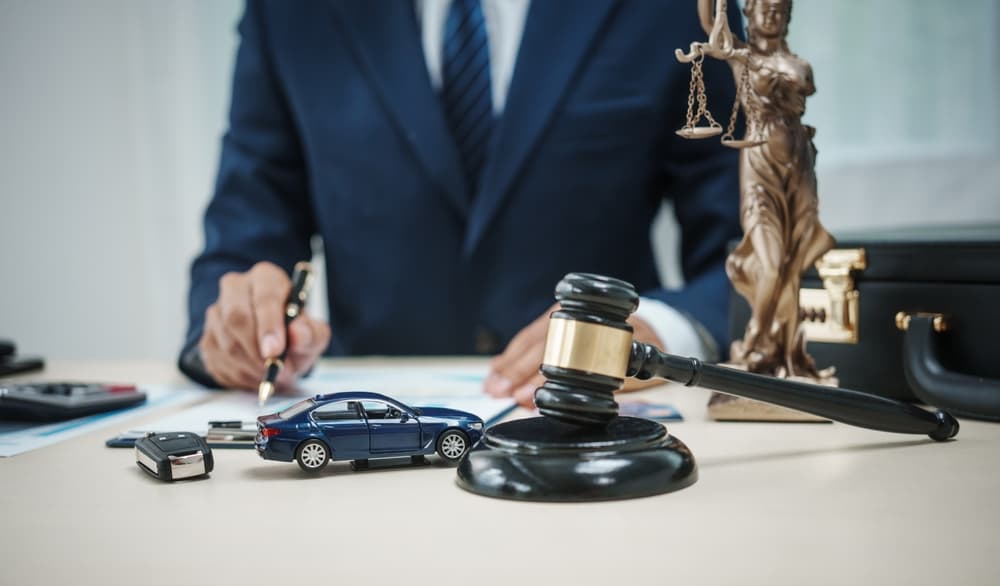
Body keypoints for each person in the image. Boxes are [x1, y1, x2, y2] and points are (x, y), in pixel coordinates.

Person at [179, 0, 744, 406]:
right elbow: (241, 243)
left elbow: (754, 252)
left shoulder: (682, 8)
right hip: (366, 448)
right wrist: (238, 328)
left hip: (598, 431)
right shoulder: (287, 12)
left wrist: (658, 335)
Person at [695, 0, 835, 378]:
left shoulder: (799, 65)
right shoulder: (743, 57)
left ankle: (782, 353)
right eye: (764, 8)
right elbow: (713, 26)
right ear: (750, 13)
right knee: (771, 263)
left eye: (779, 9)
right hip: (759, 171)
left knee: (793, 263)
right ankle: (756, 341)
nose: (772, 14)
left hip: (800, 171)